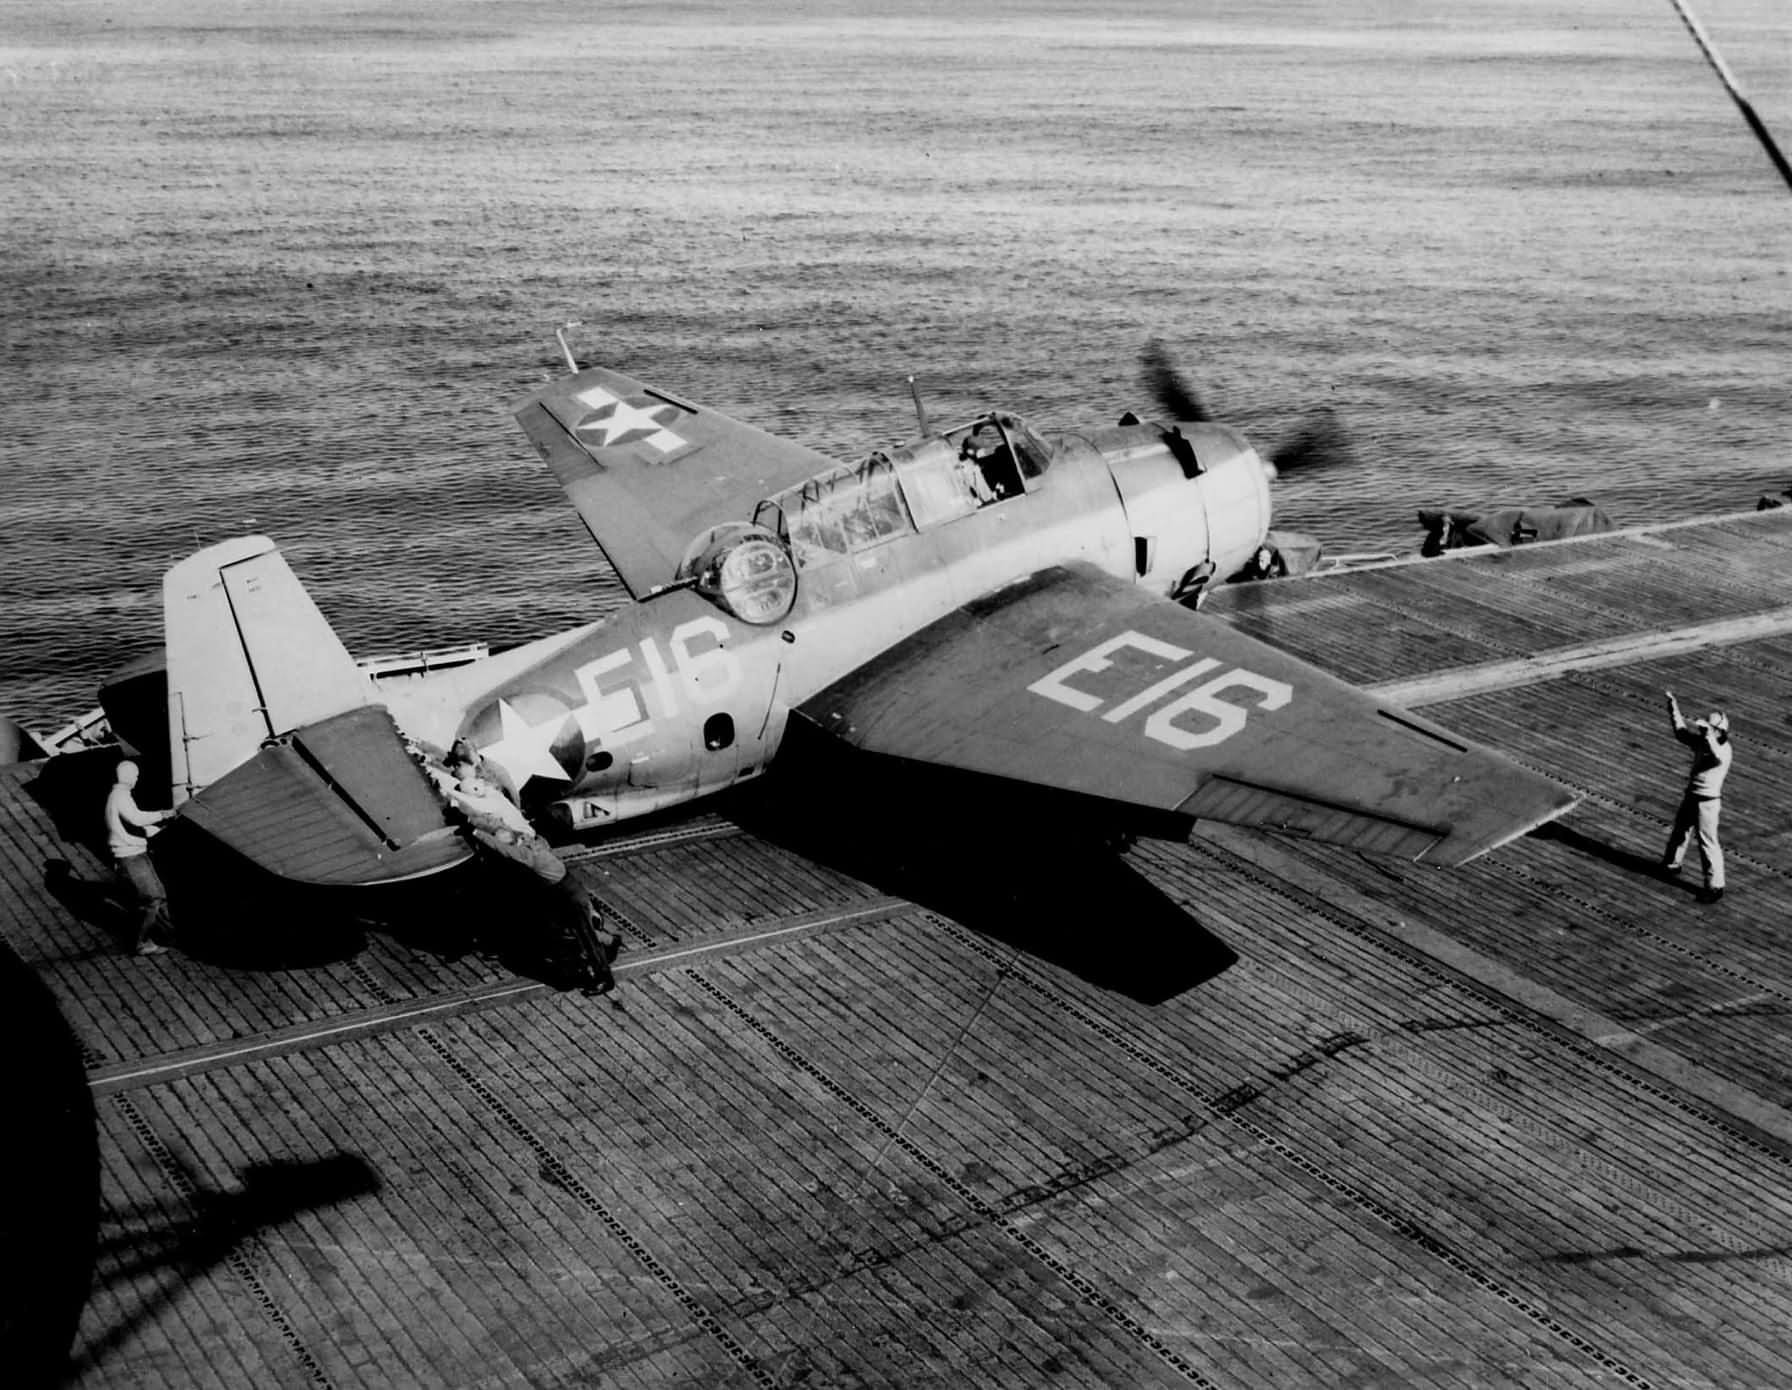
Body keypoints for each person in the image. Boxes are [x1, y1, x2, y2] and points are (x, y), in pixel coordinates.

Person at [1659, 690, 1732, 904]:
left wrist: (1707, 734)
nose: (1703, 732)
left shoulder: (1723, 750)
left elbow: (1716, 755)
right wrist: (1674, 709)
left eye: (1708, 729)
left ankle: (1715, 885)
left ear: (1719, 731)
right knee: (1680, 830)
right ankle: (1672, 864)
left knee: (1707, 842)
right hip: (1693, 795)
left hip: (1707, 802)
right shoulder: (1704, 741)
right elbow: (1681, 733)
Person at [104, 760, 174, 954]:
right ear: (127, 777)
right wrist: (163, 814)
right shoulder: (121, 796)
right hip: (131, 857)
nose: (136, 779)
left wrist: (156, 829)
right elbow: (136, 819)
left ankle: (169, 936)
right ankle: (140, 943)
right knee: (152, 899)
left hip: (135, 854)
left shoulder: (118, 796)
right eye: (135, 776)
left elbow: (132, 825)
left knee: (159, 895)